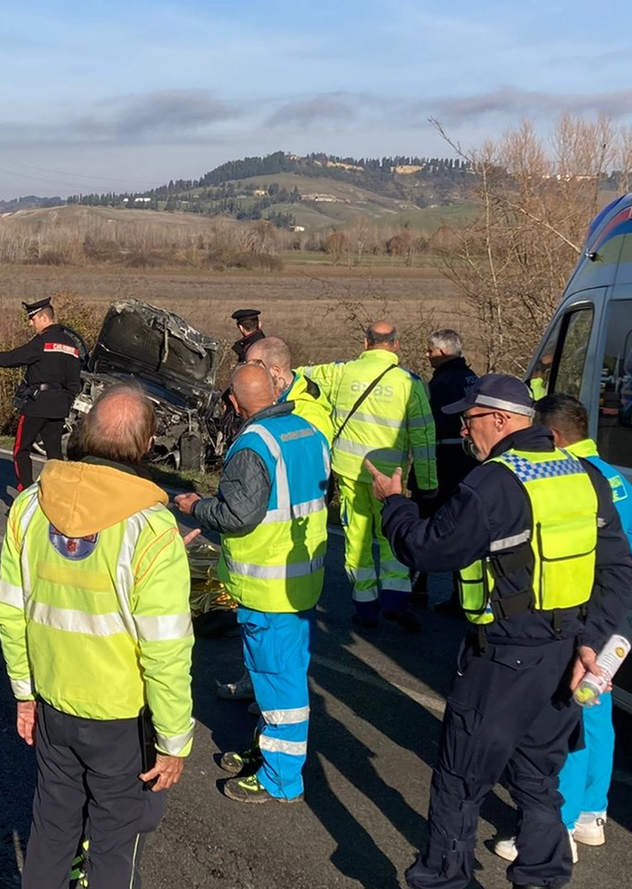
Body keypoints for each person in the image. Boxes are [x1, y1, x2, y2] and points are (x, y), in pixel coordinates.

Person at [365, 374, 632, 889]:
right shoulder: (583, 476)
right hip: (565, 659)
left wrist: (394, 505)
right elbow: (619, 572)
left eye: (470, 420)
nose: (463, 430)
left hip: (503, 658)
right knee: (540, 784)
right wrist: (591, 643)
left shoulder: (495, 484)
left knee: (461, 780)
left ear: (502, 419)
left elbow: (429, 549)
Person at [0, 385, 192, 889]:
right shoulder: (151, 526)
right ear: (143, 447)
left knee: (51, 837)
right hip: (122, 721)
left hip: (54, 707)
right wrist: (174, 737)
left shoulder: (29, 504)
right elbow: (165, 649)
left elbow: (9, 610)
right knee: (115, 849)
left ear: (83, 434)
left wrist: (25, 691)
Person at [484, 393, 632, 861]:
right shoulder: (614, 476)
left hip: (572, 612)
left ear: (553, 436)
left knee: (565, 717)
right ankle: (591, 815)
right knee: (595, 711)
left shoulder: (565, 473)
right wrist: (614, 565)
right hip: (607, 612)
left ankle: (554, 827)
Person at [174, 364, 329, 804]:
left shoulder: (252, 445)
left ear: (236, 402)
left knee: (280, 684)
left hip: (268, 587)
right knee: (280, 676)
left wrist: (196, 506)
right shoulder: (307, 430)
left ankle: (280, 777)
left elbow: (237, 515)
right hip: (301, 578)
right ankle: (267, 751)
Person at [300, 322, 437, 631]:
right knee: (391, 534)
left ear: (365, 343)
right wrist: (428, 484)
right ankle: (396, 599)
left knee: (357, 539)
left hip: (349, 472)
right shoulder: (409, 383)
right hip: (390, 478)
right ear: (397, 345)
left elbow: (299, 375)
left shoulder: (341, 372)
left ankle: (365, 606)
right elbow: (425, 438)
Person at [0, 297, 84, 492]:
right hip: (58, 406)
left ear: (43, 317)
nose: (30, 323)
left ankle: (25, 493)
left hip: (37, 404)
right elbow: (74, 382)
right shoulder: (71, 345)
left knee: (21, 449)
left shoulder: (41, 342)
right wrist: (65, 403)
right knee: (54, 455)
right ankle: (58, 495)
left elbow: (11, 358)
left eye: (32, 319)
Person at [414, 328, 481, 613]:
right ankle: (463, 595)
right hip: (469, 462)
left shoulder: (442, 383)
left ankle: (416, 590)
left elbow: (431, 428)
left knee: (424, 526)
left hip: (443, 462)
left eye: (429, 351)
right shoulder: (472, 378)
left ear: (441, 352)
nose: (427, 356)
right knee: (463, 527)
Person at [245, 336, 331, 444]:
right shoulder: (278, 396)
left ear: (275, 372)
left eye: (256, 369)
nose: (249, 375)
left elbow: (313, 456)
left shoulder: (310, 413)